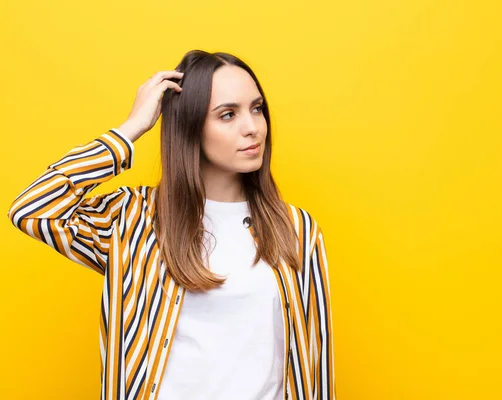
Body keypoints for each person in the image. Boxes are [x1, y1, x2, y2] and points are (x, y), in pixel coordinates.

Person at [7, 50, 336, 400]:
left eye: (257, 108)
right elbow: (33, 209)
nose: (252, 127)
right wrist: (129, 130)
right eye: (228, 114)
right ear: (191, 126)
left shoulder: (296, 228)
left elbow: (313, 362)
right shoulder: (134, 219)